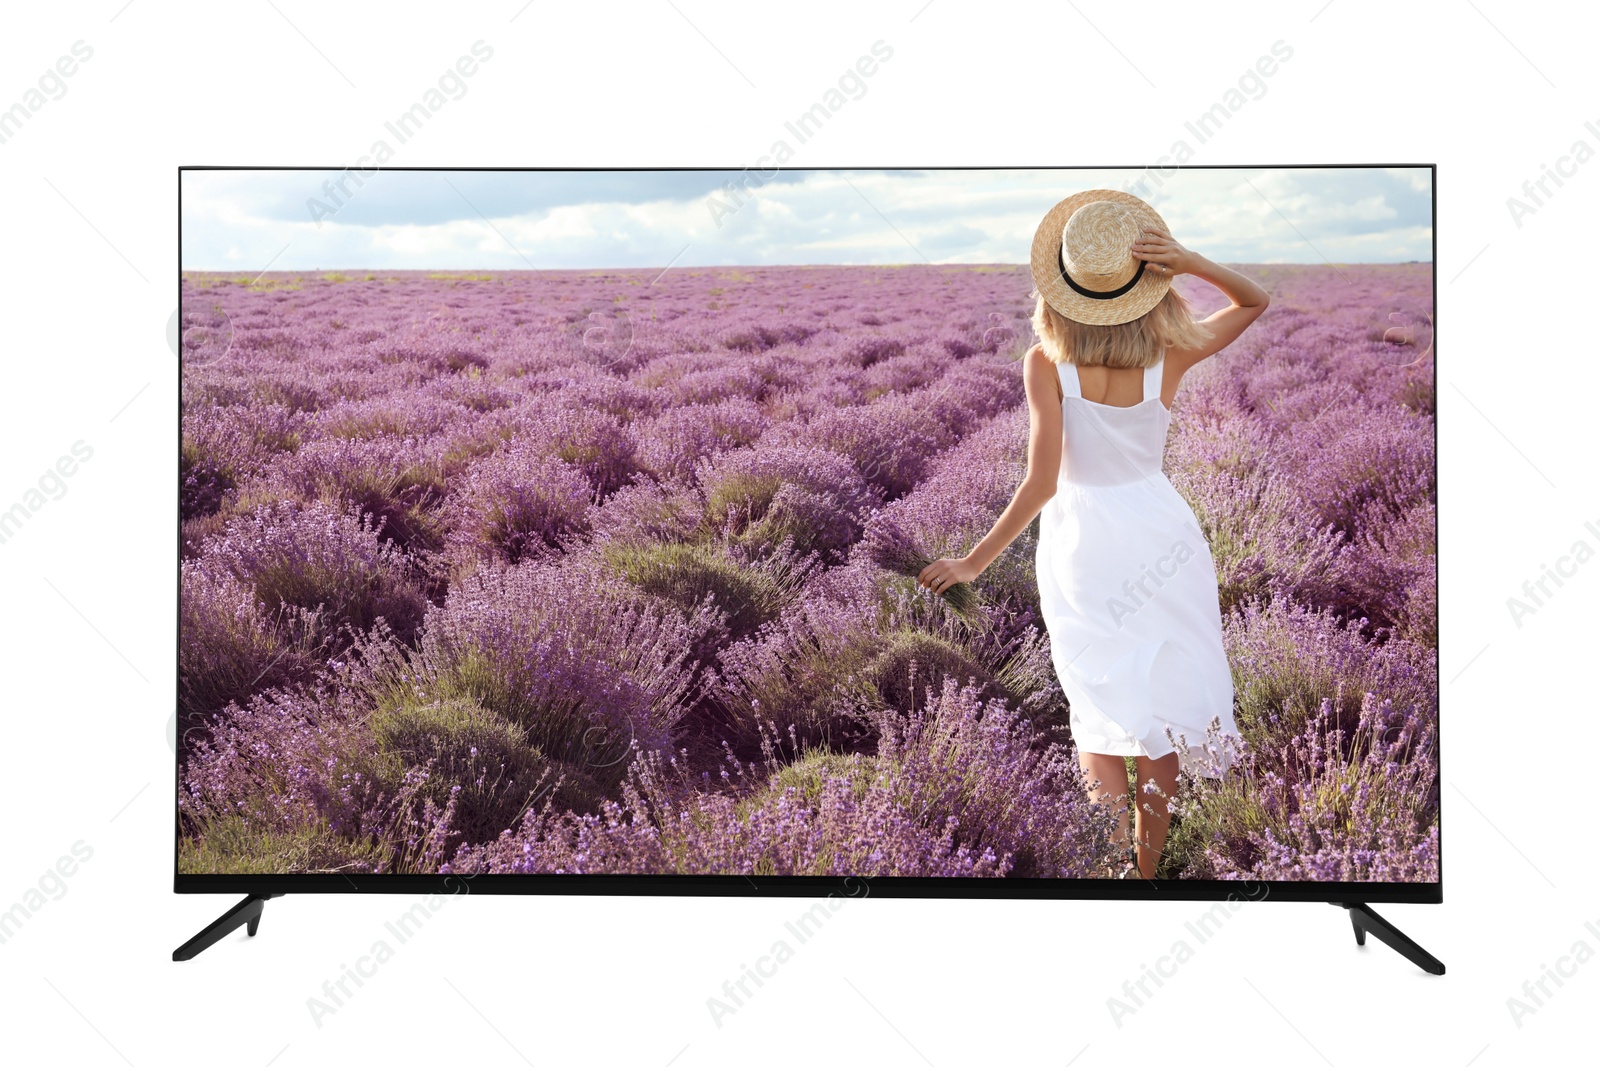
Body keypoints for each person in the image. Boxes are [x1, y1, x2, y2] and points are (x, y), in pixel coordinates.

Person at [917, 189, 1269, 879]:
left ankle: (1109, 872)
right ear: (1148, 288)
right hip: (1162, 536)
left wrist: (972, 562)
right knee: (1161, 703)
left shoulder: (1045, 365)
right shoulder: (1170, 355)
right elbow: (1253, 301)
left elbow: (1041, 484)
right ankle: (1146, 871)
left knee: (1099, 701)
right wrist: (1190, 261)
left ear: (1062, 291)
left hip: (1084, 545)